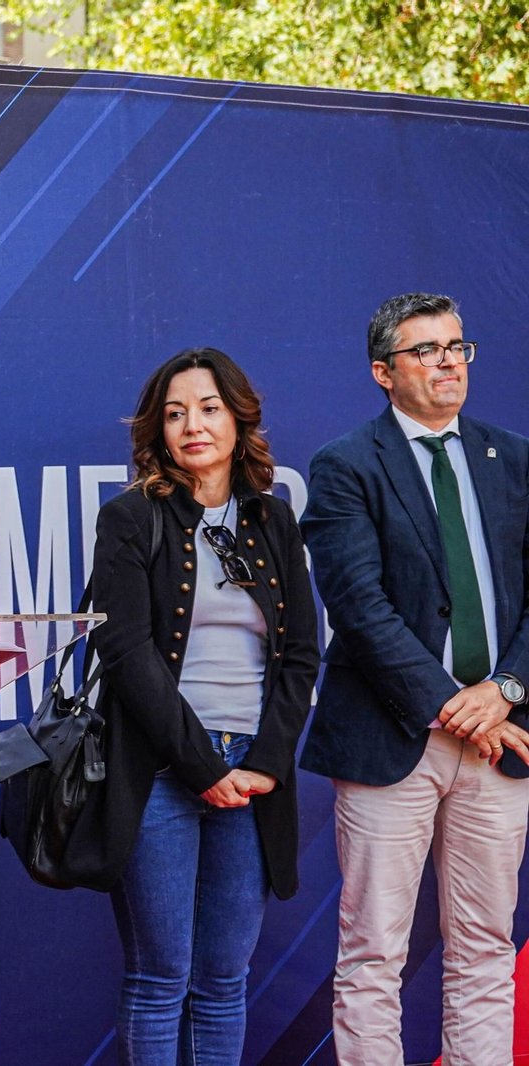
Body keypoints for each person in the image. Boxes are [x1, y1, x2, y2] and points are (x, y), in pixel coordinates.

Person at [299, 292, 529, 1066]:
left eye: (457, 347)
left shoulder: (514, 457)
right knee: (374, 955)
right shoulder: (345, 466)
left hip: (500, 740)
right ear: (382, 372)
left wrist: (507, 692)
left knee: (486, 945)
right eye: (426, 351)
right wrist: (455, 707)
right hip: (391, 738)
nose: (447, 364)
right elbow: (359, 609)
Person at [77, 347, 319, 1065]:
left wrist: (266, 763)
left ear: (241, 421)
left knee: (223, 980)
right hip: (161, 771)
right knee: (161, 978)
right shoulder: (129, 518)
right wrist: (199, 763)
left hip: (253, 778)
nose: (193, 425)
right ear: (158, 430)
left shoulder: (274, 521)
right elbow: (125, 654)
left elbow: (302, 655)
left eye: (209, 408)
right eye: (175, 412)